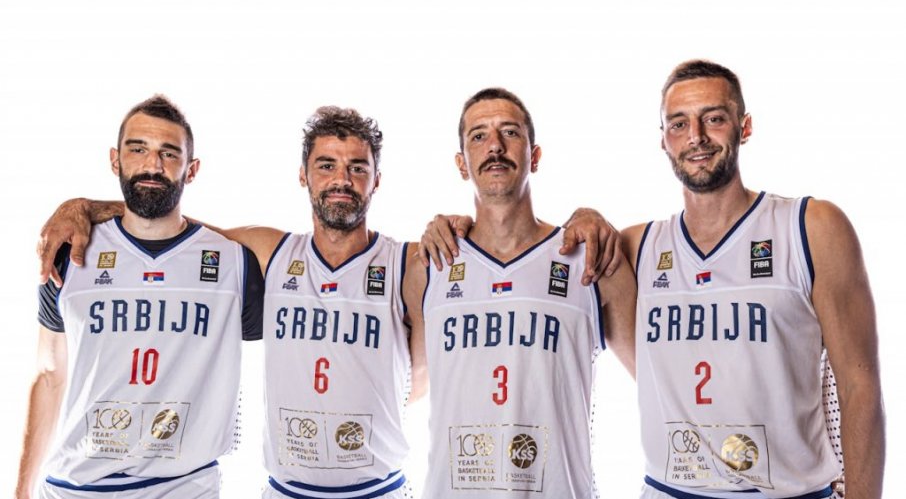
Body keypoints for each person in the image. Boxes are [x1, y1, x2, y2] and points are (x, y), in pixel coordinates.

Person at [34, 105, 623, 499]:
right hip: (283, 489)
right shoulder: (268, 252)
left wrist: (588, 214)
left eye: (356, 168)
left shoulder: (411, 260)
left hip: (379, 487)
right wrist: (84, 207)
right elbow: (166, 223)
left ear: (376, 180)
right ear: (303, 176)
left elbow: (429, 367)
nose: (341, 179)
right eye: (326, 166)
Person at [424, 62, 886, 499]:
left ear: (744, 127)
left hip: (789, 491)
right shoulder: (636, 248)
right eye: (679, 124)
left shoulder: (811, 226)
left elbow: (859, 386)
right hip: (669, 489)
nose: (696, 136)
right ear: (663, 139)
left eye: (714, 118)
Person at [15, 95, 265, 499]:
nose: (153, 165)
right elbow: (48, 373)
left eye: (169, 153)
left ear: (192, 169)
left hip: (183, 487)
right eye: (138, 149)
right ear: (115, 160)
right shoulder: (70, 252)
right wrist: (20, 490)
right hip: (72, 487)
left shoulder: (234, 263)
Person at [403, 87, 636, 498]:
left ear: (535, 155)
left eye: (510, 132)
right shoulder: (429, 265)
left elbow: (657, 383)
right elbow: (408, 387)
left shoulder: (590, 258)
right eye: (478, 136)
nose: (494, 145)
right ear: (462, 164)